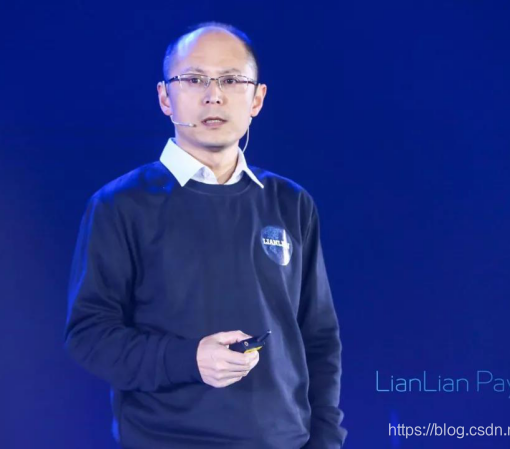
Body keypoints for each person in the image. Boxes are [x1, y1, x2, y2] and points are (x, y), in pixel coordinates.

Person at [64, 22, 347, 449]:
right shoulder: (120, 205)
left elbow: (319, 339)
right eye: (194, 79)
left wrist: (325, 441)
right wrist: (189, 359)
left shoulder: (291, 203)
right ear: (165, 97)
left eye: (231, 80)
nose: (213, 95)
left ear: (257, 98)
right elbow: (89, 336)